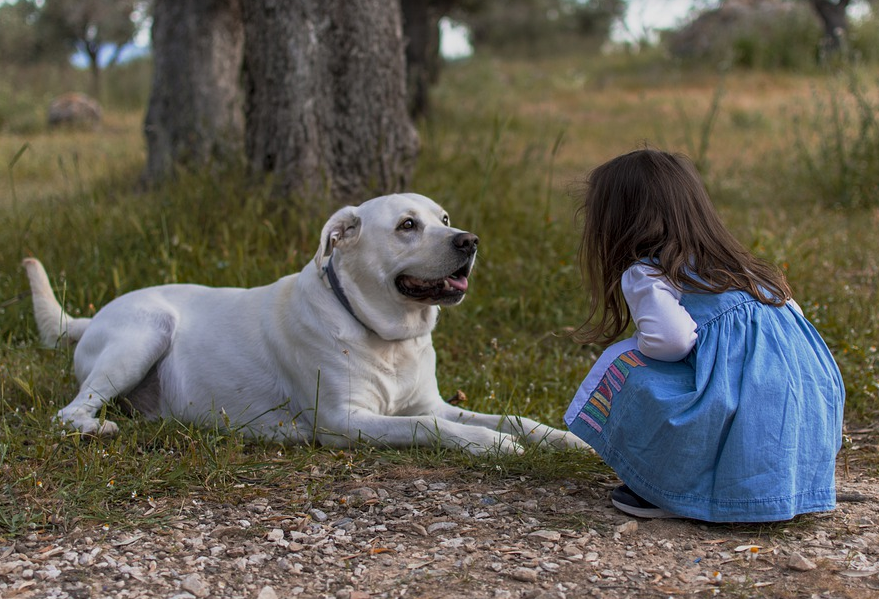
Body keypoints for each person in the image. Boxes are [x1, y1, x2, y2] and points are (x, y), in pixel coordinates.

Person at [564, 148, 845, 522]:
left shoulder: (649, 272)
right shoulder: (745, 269)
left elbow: (672, 341)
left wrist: (640, 347)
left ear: (618, 223)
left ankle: (670, 488)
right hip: (807, 411)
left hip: (745, 412)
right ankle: (781, 485)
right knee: (743, 386)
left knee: (626, 364)